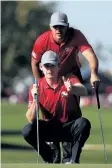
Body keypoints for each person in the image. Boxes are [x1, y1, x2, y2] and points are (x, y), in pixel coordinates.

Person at [31, 11, 99, 163]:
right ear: (50, 27)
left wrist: (93, 73)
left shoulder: (76, 35)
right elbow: (34, 63)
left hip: (70, 76)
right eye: (55, 27)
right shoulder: (42, 40)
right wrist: (40, 82)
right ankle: (53, 148)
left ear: (67, 27)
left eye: (62, 27)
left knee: (70, 111)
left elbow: (90, 55)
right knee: (48, 109)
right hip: (48, 78)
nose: (58, 30)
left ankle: (69, 154)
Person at [22, 50, 91, 163]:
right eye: (46, 66)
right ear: (41, 67)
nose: (49, 69)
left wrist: (72, 88)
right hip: (50, 127)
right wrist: (35, 99)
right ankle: (50, 156)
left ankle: (73, 160)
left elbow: (83, 91)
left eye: (53, 65)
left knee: (83, 123)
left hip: (70, 127)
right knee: (27, 130)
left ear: (59, 66)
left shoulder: (68, 78)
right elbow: (31, 119)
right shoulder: (36, 87)